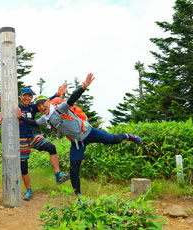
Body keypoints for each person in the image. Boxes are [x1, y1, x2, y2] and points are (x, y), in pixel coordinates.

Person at [18, 73, 142, 203]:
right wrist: (21, 118)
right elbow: (33, 123)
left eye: (43, 103)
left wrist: (83, 88)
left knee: (114, 140)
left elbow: (72, 99)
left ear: (49, 102)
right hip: (77, 143)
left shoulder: (60, 108)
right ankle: (78, 197)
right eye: (38, 106)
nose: (41, 107)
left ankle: (129, 136)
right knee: (73, 170)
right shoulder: (44, 118)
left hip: (89, 132)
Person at [18, 86, 69, 201]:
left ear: (31, 98)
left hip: (32, 136)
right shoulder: (16, 107)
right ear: (20, 97)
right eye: (24, 96)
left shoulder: (33, 107)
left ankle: (58, 175)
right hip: (21, 140)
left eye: (29, 96)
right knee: (24, 166)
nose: (26, 98)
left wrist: (57, 94)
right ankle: (29, 190)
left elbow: (45, 102)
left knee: (51, 147)